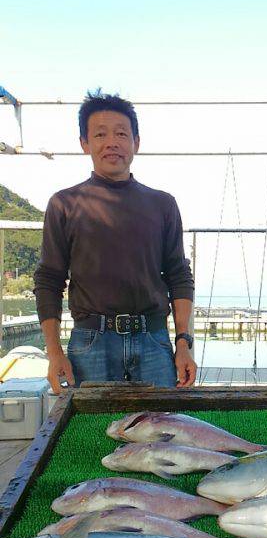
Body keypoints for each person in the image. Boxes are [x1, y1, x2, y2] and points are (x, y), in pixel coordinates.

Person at [34, 90, 196, 393]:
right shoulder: (63, 204)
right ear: (84, 143)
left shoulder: (163, 204)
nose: (112, 142)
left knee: (161, 421)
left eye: (122, 133)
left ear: (136, 142)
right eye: (100, 134)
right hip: (91, 343)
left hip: (154, 339)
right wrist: (54, 352)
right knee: (95, 424)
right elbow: (49, 280)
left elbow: (178, 274)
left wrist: (183, 343)